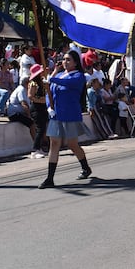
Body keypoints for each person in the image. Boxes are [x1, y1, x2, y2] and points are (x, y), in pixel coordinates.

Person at [39, 49, 92, 189]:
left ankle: (85, 167)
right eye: (64, 59)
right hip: (56, 115)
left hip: (70, 114)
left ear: (75, 62)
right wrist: (49, 106)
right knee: (54, 144)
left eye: (69, 60)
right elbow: (49, 92)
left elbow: (68, 84)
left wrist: (51, 77)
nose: (65, 62)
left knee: (72, 144)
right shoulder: (60, 75)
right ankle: (50, 178)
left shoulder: (79, 76)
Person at [27, 64, 49, 158]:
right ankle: (35, 149)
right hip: (36, 108)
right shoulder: (33, 83)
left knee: (43, 128)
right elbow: (30, 96)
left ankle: (39, 148)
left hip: (42, 107)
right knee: (40, 129)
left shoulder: (41, 82)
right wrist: (41, 100)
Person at [6, 76, 36, 142]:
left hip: (20, 113)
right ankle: (36, 145)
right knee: (32, 123)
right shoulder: (21, 90)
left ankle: (44, 142)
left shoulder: (24, 90)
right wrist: (29, 116)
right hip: (14, 114)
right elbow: (24, 104)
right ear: (27, 83)